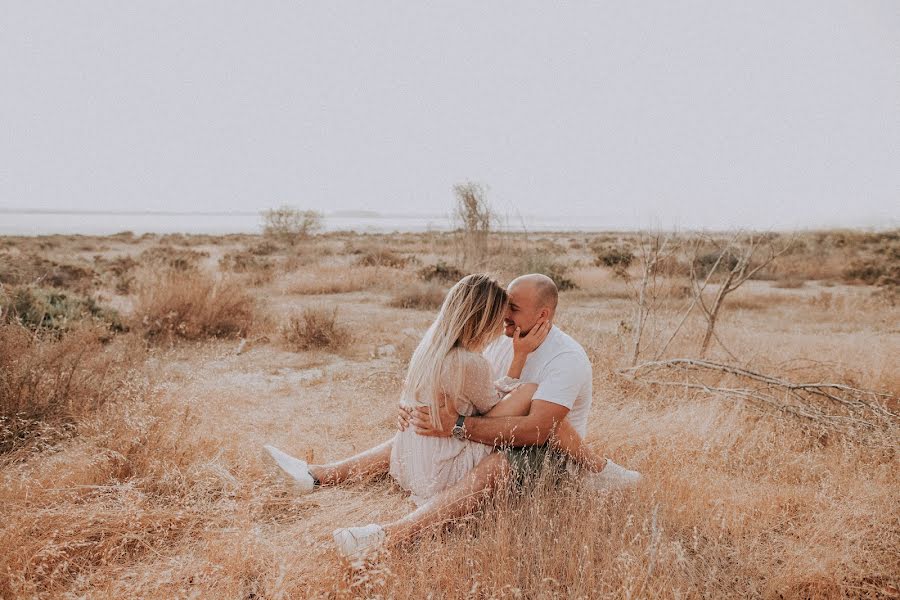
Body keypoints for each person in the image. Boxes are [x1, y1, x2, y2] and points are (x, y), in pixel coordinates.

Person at [263, 273, 641, 563]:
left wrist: (458, 427)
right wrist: (417, 410)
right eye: (502, 310)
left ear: (542, 315)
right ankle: (316, 475)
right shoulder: (495, 341)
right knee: (428, 427)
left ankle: (389, 535)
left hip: (546, 453)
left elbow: (540, 429)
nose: (504, 320)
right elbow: (469, 396)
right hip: (484, 429)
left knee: (500, 459)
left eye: (513, 312)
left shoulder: (565, 359)